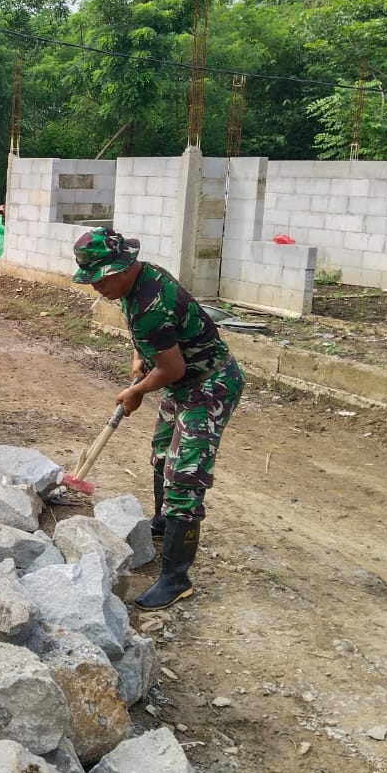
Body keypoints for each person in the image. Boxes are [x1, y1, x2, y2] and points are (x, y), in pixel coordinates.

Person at [71, 227, 245, 611]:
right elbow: (152, 340)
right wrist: (140, 358)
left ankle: (176, 579)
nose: (96, 286)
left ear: (122, 267)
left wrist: (136, 392)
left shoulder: (151, 302)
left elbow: (172, 369)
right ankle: (164, 523)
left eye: (101, 278)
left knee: (184, 476)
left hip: (209, 385)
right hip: (184, 381)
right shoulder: (138, 281)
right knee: (162, 452)